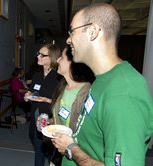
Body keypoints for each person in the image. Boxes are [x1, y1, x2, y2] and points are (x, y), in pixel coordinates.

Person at [51, 3, 153, 166]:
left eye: (72, 31)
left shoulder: (123, 94)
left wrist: (71, 148)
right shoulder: (102, 79)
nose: (69, 40)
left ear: (93, 31)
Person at [24, 44, 61, 166]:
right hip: (36, 117)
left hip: (51, 118)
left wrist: (47, 100)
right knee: (38, 149)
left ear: (51, 58)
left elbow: (64, 102)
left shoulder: (60, 77)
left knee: (52, 152)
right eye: (38, 54)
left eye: (42, 55)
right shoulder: (36, 75)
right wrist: (28, 97)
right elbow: (34, 95)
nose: (38, 57)